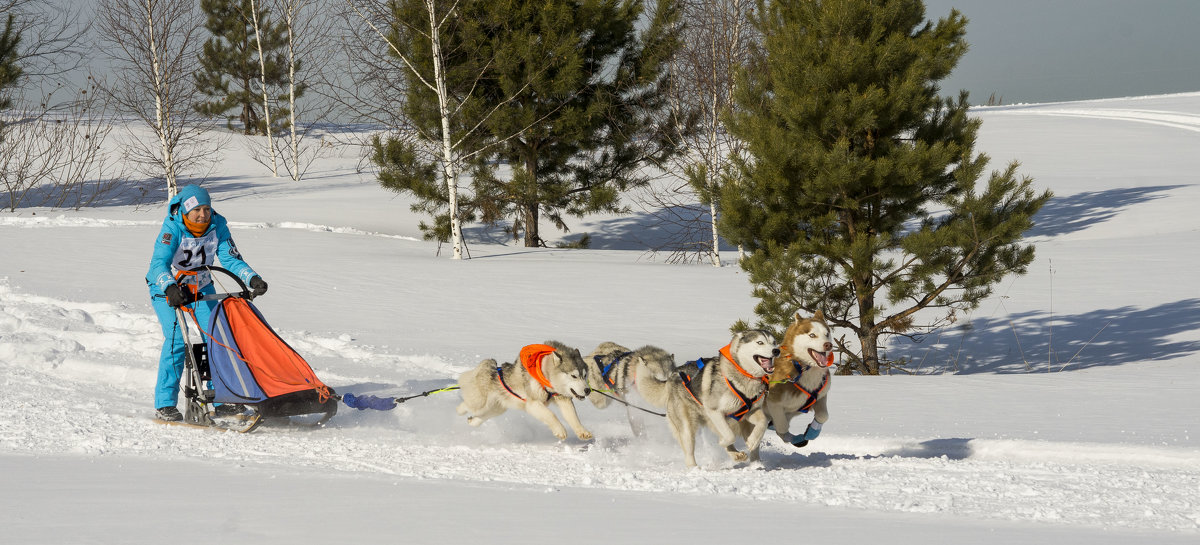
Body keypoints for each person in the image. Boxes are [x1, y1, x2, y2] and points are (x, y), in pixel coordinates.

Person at [145, 185, 267, 421]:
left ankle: (221, 398)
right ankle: (165, 404)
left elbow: (230, 258)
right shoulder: (172, 227)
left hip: (201, 287)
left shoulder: (217, 226)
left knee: (217, 338)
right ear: (186, 210)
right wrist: (170, 287)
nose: (203, 215)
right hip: (167, 289)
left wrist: (252, 278)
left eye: (207, 209)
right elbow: (158, 265)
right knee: (177, 340)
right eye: (197, 210)